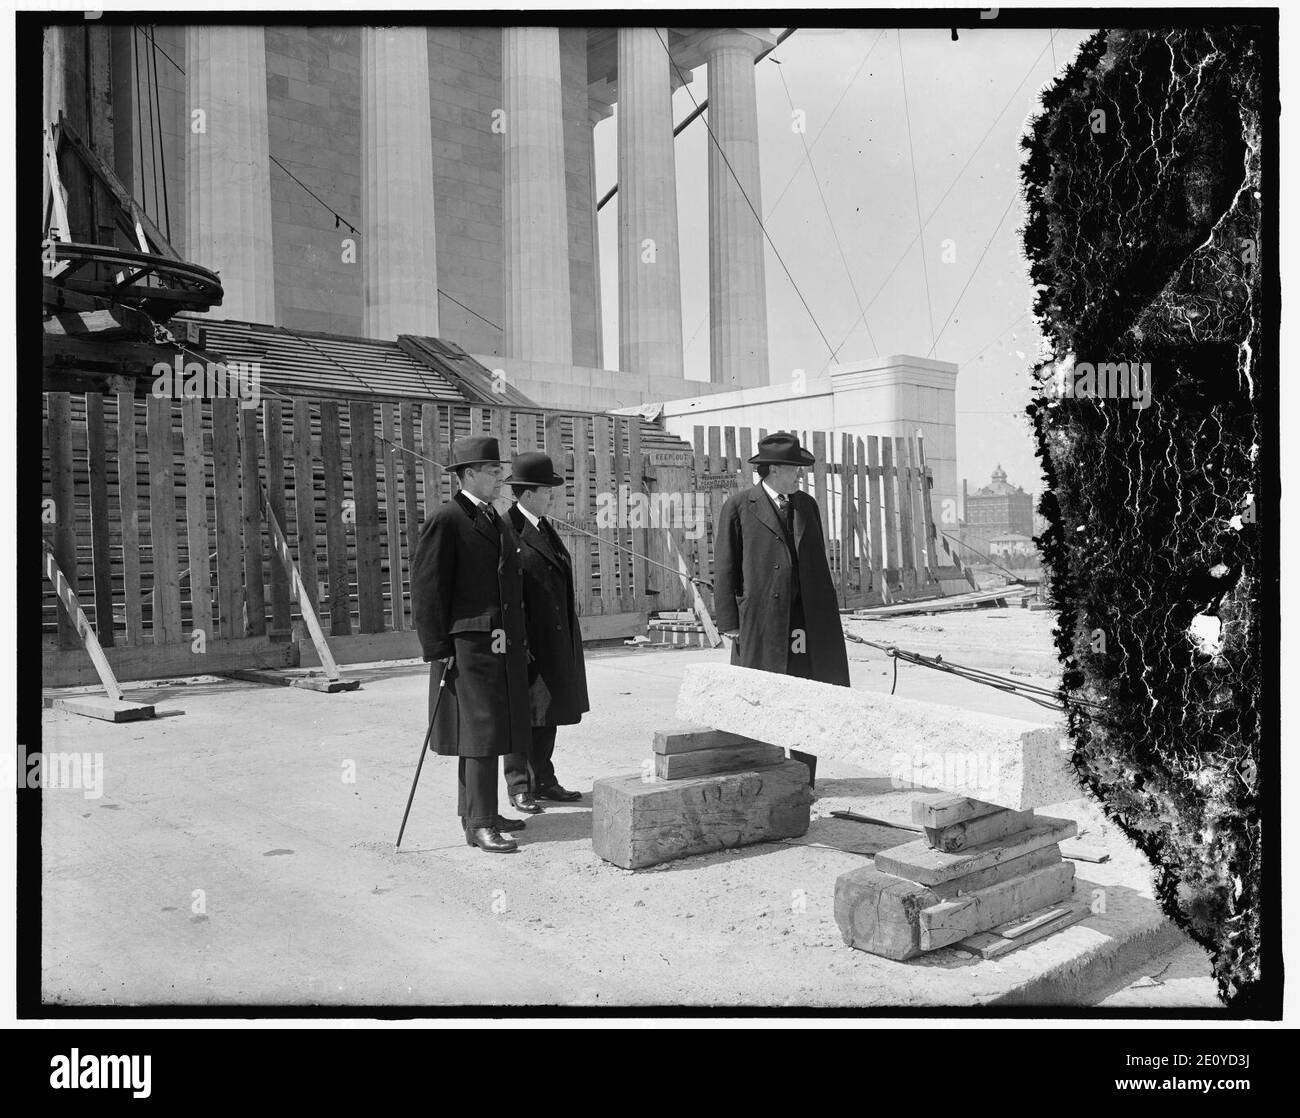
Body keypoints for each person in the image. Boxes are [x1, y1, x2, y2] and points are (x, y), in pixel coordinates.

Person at [410, 435, 532, 854]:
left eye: (499, 469)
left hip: (497, 643)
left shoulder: (492, 516)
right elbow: (427, 589)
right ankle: (479, 824)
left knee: (492, 727)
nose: (501, 476)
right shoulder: (447, 519)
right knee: (478, 732)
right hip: (466, 645)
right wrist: (438, 648)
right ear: (469, 474)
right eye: (493, 470)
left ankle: (481, 812)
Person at [711, 431, 851, 785]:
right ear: (773, 469)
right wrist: (729, 622)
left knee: (807, 698)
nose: (799, 476)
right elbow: (726, 567)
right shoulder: (741, 506)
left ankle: (804, 779)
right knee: (762, 700)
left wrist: (826, 620)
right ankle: (765, 780)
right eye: (794, 469)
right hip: (761, 623)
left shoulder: (806, 505)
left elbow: (818, 565)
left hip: (805, 624)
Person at [504, 451, 589, 813]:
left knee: (547, 712)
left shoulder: (543, 527)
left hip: (554, 639)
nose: (551, 496)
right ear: (525, 495)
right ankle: (520, 785)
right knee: (522, 717)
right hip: (527, 641)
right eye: (545, 490)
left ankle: (544, 780)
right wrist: (517, 642)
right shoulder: (507, 529)